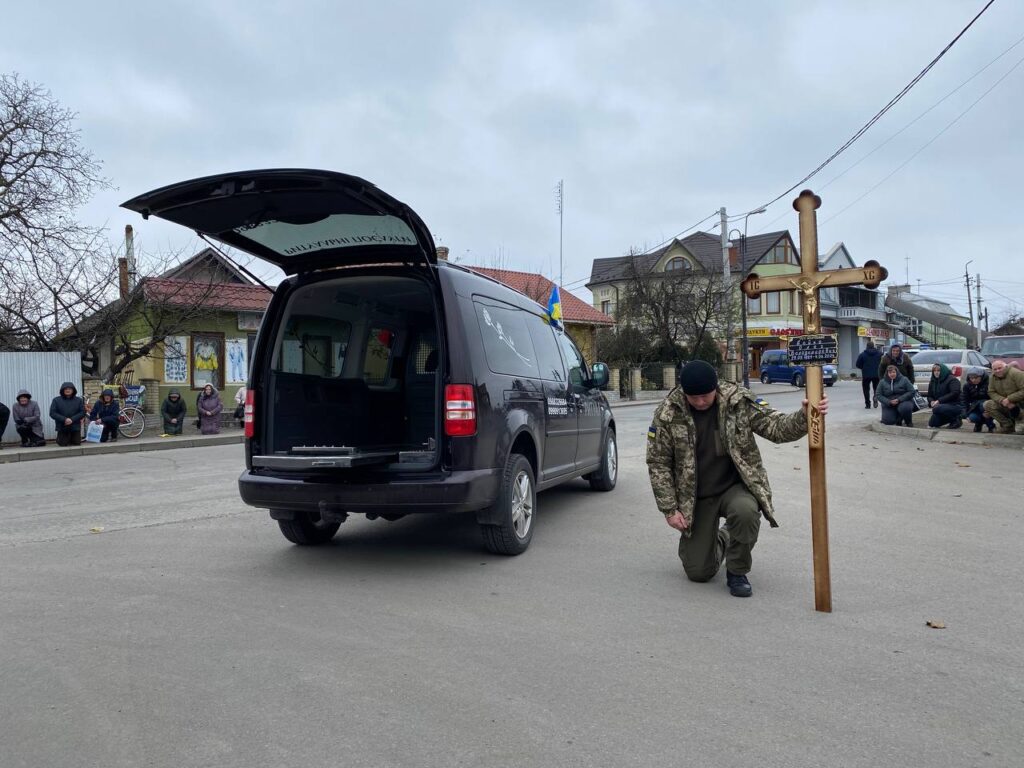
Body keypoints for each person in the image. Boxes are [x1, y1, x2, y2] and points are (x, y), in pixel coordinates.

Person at [646, 360, 829, 598]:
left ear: (716, 388)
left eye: (706, 396)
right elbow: (658, 462)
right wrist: (670, 510)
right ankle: (725, 535)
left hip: (734, 487)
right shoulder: (668, 413)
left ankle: (737, 571)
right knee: (699, 572)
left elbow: (776, 427)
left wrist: (804, 416)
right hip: (695, 497)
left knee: (745, 512)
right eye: (694, 397)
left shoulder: (737, 401)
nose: (701, 402)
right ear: (684, 393)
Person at [984, 360, 1024, 434]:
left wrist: (1010, 399)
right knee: (987, 404)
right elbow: (991, 392)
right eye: (995, 369)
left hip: (1020, 404)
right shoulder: (992, 377)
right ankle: (1007, 426)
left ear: (1005, 366)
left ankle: (1020, 421)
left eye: (1000, 368)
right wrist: (1002, 400)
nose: (997, 370)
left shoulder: (1016, 373)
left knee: (1020, 431)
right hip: (1005, 403)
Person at [49, 382, 86, 447]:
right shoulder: (56, 400)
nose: (67, 390)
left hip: (75, 426)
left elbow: (82, 412)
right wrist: (64, 419)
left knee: (76, 443)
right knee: (62, 444)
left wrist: (72, 419)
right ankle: (61, 439)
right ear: (62, 390)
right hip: (62, 426)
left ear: (73, 390)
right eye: (65, 389)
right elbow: (52, 413)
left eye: (69, 389)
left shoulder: (79, 400)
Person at [926, 363, 962, 429]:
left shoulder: (952, 379)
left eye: (938, 371)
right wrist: (931, 401)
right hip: (941, 406)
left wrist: (939, 400)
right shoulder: (933, 381)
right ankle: (949, 419)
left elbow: (955, 393)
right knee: (932, 423)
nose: (936, 373)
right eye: (934, 371)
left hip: (955, 405)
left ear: (943, 371)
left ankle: (956, 419)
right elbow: (929, 395)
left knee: (937, 408)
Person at [961, 367, 995, 433]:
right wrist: (965, 414)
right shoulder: (966, 386)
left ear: (981, 376)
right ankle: (978, 424)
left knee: (982, 405)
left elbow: (993, 396)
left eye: (976, 378)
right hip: (974, 407)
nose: (973, 380)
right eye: (971, 378)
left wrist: (990, 410)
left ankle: (991, 426)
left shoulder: (989, 384)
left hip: (987, 406)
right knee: (972, 417)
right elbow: (964, 400)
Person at [855, 340, 883, 409]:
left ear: (867, 346)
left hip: (866, 375)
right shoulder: (880, 354)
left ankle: (867, 404)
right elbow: (883, 363)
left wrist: (863, 368)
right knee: (876, 388)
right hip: (877, 374)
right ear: (874, 346)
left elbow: (858, 364)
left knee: (866, 389)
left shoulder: (862, 355)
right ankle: (875, 396)